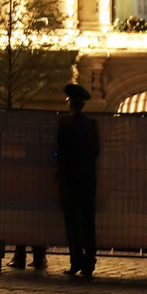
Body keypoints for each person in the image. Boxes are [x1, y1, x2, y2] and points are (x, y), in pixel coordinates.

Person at [58, 83, 102, 280]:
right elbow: (96, 151)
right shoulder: (92, 124)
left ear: (71, 103)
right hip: (88, 178)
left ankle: (76, 260)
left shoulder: (64, 123)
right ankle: (89, 262)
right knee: (88, 221)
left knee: (73, 222)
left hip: (69, 178)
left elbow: (60, 151)